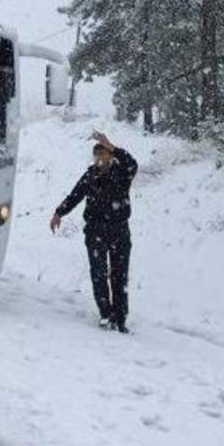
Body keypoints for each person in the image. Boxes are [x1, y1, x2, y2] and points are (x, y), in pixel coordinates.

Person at [50, 130, 138, 333]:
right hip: (95, 231)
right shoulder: (90, 175)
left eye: (104, 153)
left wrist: (112, 145)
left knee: (119, 275)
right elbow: (75, 195)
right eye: (97, 154)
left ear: (110, 156)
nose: (100, 158)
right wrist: (58, 213)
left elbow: (133, 164)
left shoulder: (122, 173)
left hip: (119, 230)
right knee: (98, 274)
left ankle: (120, 318)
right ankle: (106, 314)